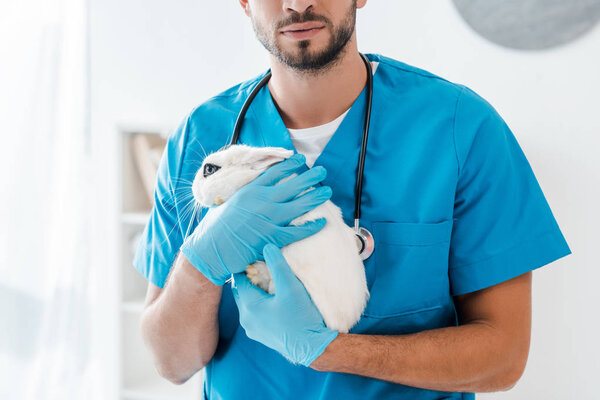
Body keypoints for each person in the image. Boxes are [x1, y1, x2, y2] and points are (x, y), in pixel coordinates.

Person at [133, 1, 572, 398]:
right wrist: (200, 263)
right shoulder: (201, 137)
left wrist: (330, 352)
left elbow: (503, 358)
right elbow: (172, 363)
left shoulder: (460, 127)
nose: (298, 3)